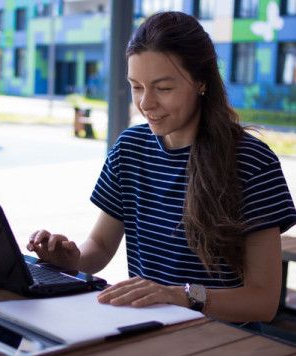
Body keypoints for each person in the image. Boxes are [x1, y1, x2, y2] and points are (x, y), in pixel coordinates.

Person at [27, 11, 296, 323]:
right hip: (151, 331)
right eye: (136, 86)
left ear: (201, 83)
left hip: (223, 340)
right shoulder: (129, 148)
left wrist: (181, 296)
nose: (145, 103)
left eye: (163, 88)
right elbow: (99, 247)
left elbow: (261, 301)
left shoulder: (252, 162)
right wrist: (71, 259)